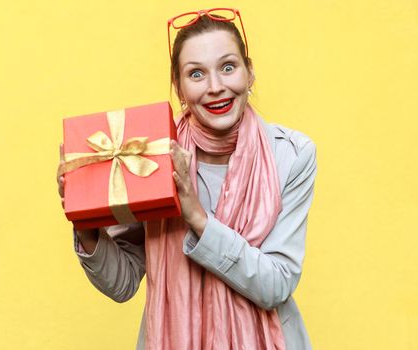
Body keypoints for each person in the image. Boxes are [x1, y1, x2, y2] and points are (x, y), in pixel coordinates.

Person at [58, 8, 317, 350]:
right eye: (196, 74)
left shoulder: (292, 155)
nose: (216, 87)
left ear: (249, 73)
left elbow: (276, 285)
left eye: (228, 67)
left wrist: (196, 216)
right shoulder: (150, 154)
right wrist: (86, 219)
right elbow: (121, 284)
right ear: (178, 88)